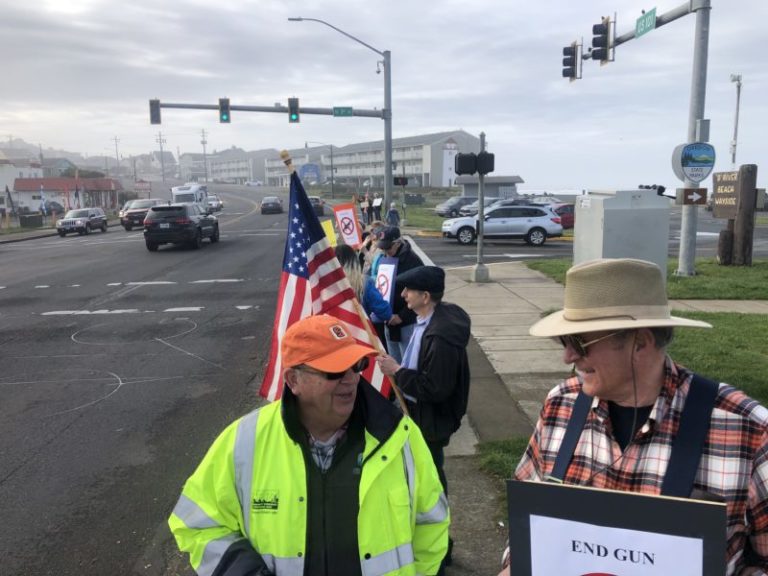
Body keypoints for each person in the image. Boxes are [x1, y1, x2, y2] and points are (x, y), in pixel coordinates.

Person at [498, 258, 768, 575]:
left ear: (640, 341)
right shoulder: (561, 404)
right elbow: (528, 525)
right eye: (564, 341)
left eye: (578, 342)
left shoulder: (747, 428)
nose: (567, 356)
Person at [169, 314, 450, 576]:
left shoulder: (399, 436)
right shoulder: (243, 441)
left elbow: (433, 522)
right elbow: (196, 524)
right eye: (334, 371)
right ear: (294, 380)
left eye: (356, 365)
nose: (350, 379)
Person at [377, 266, 471, 570]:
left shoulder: (441, 336)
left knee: (431, 489)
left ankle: (441, 549)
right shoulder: (428, 322)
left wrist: (397, 371)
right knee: (427, 482)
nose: (403, 295)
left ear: (425, 296)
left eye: (408, 291)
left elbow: (435, 388)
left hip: (431, 422)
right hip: (422, 417)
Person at [377, 226, 424, 363]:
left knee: (408, 365)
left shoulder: (412, 262)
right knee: (394, 365)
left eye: (388, 248)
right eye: (383, 248)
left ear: (398, 243)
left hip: (406, 323)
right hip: (389, 321)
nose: (385, 251)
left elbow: (420, 295)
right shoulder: (385, 258)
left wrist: (402, 316)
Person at [335, 243, 392, 349]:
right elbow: (385, 313)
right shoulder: (364, 282)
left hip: (334, 335)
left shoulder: (325, 284)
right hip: (361, 336)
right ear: (354, 260)